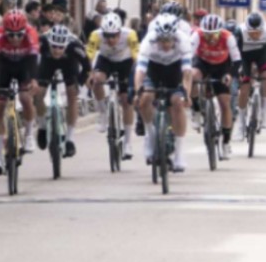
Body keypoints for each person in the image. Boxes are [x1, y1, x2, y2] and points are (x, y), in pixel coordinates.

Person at [0, 9, 39, 176]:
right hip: (4, 67)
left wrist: (34, 80)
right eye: (11, 35)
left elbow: (33, 62)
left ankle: (29, 135)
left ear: (25, 30)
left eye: (19, 35)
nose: (15, 38)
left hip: (24, 66)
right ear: (4, 31)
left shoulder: (31, 34)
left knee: (25, 97)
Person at [134, 15, 193, 171]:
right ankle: (150, 135)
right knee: (145, 97)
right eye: (162, 40)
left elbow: (187, 72)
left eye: (169, 40)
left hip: (174, 70)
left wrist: (186, 93)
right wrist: (137, 91)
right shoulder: (149, 41)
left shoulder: (183, 40)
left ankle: (179, 154)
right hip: (154, 70)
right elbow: (140, 71)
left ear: (175, 37)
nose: (166, 44)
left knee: (178, 102)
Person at [87, 12, 139, 157]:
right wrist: (89, 74)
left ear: (120, 32)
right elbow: (89, 56)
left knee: (126, 101)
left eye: (114, 36)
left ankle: (128, 142)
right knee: (97, 79)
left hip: (126, 62)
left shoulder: (130, 34)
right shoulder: (95, 35)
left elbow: (137, 56)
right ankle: (103, 113)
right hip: (106, 60)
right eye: (107, 36)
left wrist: (135, 78)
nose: (110, 40)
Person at [35, 24, 90, 158]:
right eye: (54, 46)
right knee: (38, 94)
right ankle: (42, 127)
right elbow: (29, 60)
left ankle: (70, 139)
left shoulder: (74, 45)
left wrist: (80, 83)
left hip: (69, 64)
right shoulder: (41, 41)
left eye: (60, 47)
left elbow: (87, 67)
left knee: (72, 94)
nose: (57, 50)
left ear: (66, 44)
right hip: (47, 64)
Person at [193, 13, 241, 157]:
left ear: (220, 32)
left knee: (224, 103)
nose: (210, 38)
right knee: (193, 76)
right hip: (202, 62)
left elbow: (237, 60)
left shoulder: (228, 37)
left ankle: (226, 142)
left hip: (222, 66)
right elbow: (187, 55)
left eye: (214, 35)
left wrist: (230, 75)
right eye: (207, 35)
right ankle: (196, 110)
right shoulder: (197, 35)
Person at [234, 12, 266, 136]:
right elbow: (234, 53)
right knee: (244, 87)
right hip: (244, 56)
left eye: (257, 33)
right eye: (251, 33)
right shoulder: (239, 31)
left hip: (262, 54)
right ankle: (241, 123)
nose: (254, 35)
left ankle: (265, 113)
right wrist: (238, 70)